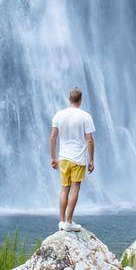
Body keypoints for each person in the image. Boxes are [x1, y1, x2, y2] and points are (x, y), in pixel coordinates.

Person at [49, 87, 95, 229]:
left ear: (69, 99)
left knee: (64, 189)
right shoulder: (85, 116)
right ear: (80, 100)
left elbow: (53, 138)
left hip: (63, 158)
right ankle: (69, 222)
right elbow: (90, 140)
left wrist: (53, 157)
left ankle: (61, 221)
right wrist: (91, 160)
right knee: (75, 189)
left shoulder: (58, 115)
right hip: (78, 158)